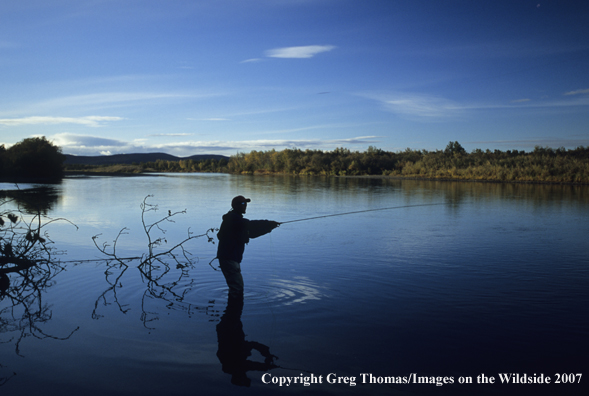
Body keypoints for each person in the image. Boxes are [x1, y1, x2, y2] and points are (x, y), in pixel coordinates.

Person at [216, 196, 280, 298]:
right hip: (229, 258)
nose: (245, 206)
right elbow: (250, 225)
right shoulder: (233, 219)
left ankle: (233, 310)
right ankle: (234, 311)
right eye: (242, 204)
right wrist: (268, 223)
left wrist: (268, 228)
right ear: (235, 206)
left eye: (246, 204)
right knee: (237, 288)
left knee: (236, 287)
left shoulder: (235, 220)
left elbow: (251, 233)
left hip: (231, 258)